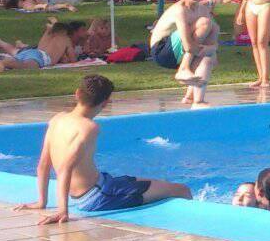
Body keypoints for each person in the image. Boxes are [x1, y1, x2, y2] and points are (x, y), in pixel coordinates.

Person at [16, 75, 190, 224]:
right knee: (181, 189)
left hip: (102, 185)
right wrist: (63, 211)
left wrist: (42, 201)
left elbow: (43, 165)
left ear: (77, 94)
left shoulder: (57, 119)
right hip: (99, 196)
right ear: (106, 103)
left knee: (152, 182)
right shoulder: (89, 127)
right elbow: (65, 168)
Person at [0, 16, 87, 72]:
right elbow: (73, 61)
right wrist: (65, 58)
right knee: (24, 66)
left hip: (31, 52)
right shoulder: (66, 39)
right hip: (40, 58)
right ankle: (2, 63)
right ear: (67, 32)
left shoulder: (49, 33)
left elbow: (49, 28)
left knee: (6, 63)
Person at [148, 0, 211, 72]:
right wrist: (205, 51)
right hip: (162, 53)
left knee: (206, 62)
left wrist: (209, 50)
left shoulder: (202, 9)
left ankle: (189, 73)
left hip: (177, 50)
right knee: (204, 23)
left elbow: (211, 39)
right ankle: (184, 68)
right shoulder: (179, 10)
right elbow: (187, 46)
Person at [174, 15, 220, 107]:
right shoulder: (200, 17)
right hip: (170, 48)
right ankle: (198, 101)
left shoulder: (209, 20)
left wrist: (212, 48)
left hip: (180, 46)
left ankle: (190, 97)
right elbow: (188, 45)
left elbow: (213, 42)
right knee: (207, 57)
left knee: (207, 54)